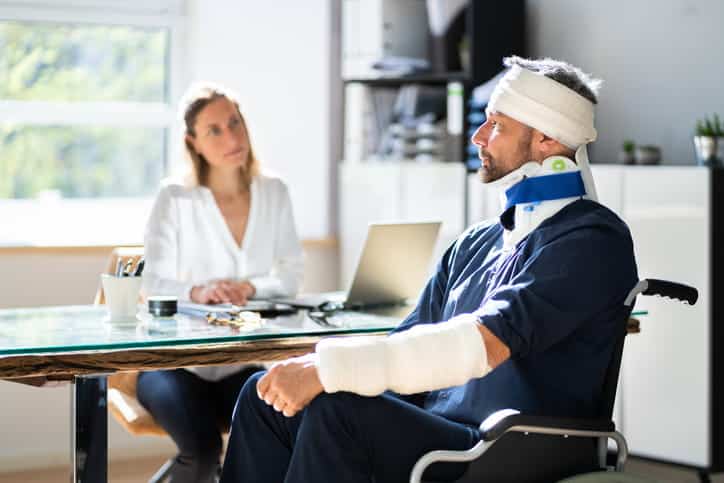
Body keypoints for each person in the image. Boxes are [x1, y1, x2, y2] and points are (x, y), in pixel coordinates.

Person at [220, 57, 639, 483]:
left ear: (548, 139)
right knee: (264, 396)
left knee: (337, 411)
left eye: (495, 125)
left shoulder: (591, 240)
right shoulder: (475, 244)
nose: (477, 136)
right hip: (442, 435)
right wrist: (313, 373)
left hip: (514, 447)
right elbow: (406, 343)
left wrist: (326, 371)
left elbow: (483, 344)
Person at [138, 82, 304, 483]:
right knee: (203, 450)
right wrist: (198, 291)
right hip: (175, 366)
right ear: (192, 141)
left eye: (235, 122)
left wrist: (247, 288)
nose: (232, 136)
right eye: (215, 130)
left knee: (293, 427)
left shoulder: (274, 191)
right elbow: (153, 282)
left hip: (244, 361)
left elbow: (291, 276)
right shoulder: (176, 197)